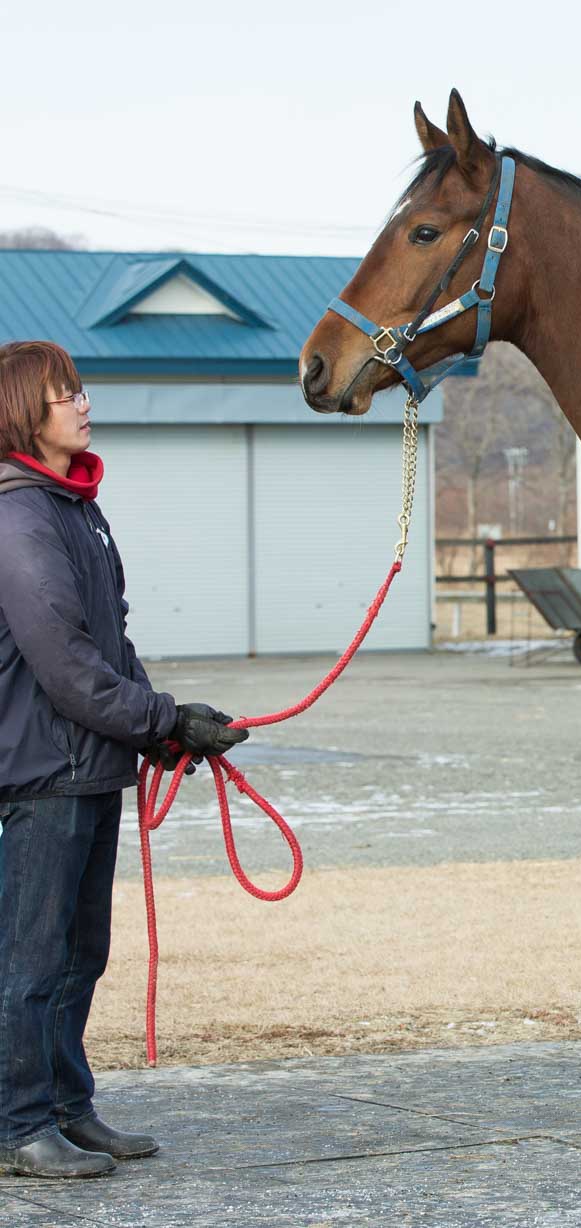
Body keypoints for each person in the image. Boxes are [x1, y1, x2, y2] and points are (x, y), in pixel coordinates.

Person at [0, 340, 249, 1179]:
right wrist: (162, 719)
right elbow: (67, 665)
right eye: (65, 394)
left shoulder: (72, 509)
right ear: (23, 411)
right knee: (31, 960)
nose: (83, 403)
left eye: (80, 390)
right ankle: (17, 1126)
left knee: (79, 955)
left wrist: (164, 726)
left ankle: (66, 1109)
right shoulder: (19, 517)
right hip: (45, 773)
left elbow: (112, 644)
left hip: (86, 766)